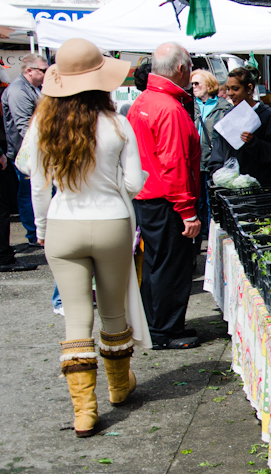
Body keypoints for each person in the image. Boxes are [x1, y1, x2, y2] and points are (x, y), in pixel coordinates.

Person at [28, 37, 146, 438]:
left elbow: (39, 188)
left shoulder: (43, 124)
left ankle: (84, 412)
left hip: (63, 224)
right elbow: (133, 181)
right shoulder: (118, 123)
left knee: (76, 318)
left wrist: (42, 229)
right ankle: (118, 387)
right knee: (113, 313)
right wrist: (115, 190)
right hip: (111, 221)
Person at [128, 42, 201, 350]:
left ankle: (155, 325)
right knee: (171, 266)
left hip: (148, 197)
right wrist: (188, 211)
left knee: (157, 264)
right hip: (167, 199)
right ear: (181, 69)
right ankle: (166, 331)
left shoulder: (143, 100)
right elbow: (174, 163)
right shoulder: (168, 107)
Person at [208, 67, 271, 186]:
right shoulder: (229, 115)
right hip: (233, 189)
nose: (230, 94)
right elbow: (219, 150)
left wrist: (254, 143)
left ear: (249, 88)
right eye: (228, 89)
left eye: (235, 89)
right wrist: (218, 171)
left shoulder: (266, 116)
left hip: (261, 188)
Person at [2, 53, 48, 248]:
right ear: (29, 71)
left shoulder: (32, 88)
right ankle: (32, 234)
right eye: (43, 70)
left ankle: (35, 231)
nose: (46, 74)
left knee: (33, 191)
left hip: (33, 151)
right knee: (29, 193)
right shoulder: (19, 91)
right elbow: (24, 128)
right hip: (26, 153)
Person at [191, 69, 231, 248]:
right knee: (196, 201)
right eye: (192, 84)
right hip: (193, 161)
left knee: (211, 201)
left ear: (208, 85)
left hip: (213, 160)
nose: (193, 87)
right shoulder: (190, 105)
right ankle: (197, 239)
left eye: (197, 83)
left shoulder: (223, 107)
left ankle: (212, 238)